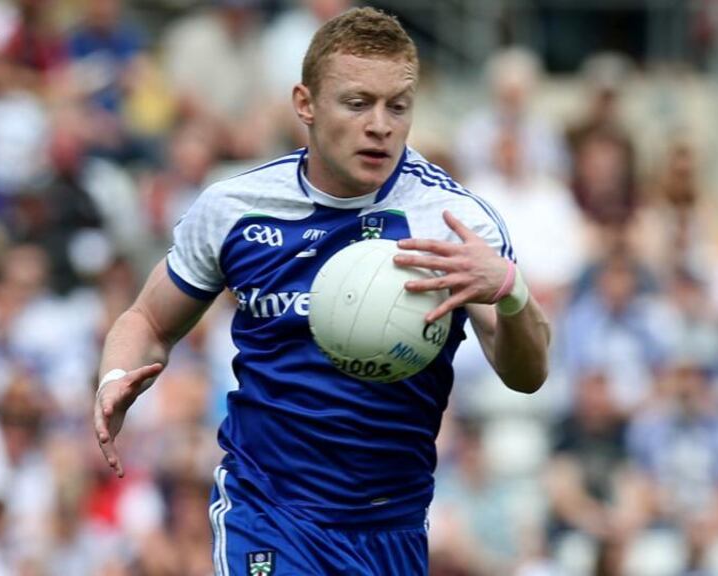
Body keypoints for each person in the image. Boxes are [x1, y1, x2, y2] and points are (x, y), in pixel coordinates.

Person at [93, 8, 550, 575]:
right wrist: (116, 376)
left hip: (391, 526)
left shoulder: (453, 222)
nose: (380, 124)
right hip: (266, 512)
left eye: (397, 106)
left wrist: (509, 291)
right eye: (357, 103)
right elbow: (149, 321)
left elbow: (527, 374)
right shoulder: (236, 208)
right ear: (305, 104)